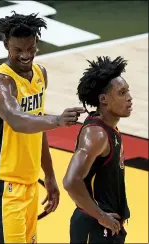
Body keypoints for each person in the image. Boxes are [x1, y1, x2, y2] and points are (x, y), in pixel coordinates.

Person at [0, 12, 85, 244]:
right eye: (18, 50)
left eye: (31, 48)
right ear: (6, 44)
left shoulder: (40, 74)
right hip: (4, 186)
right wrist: (56, 120)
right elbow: (17, 121)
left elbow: (37, 128)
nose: (26, 55)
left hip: (30, 182)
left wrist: (49, 176)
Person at [63, 56, 132, 243]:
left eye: (128, 91)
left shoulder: (109, 126)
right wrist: (101, 216)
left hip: (107, 227)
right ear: (104, 99)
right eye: (122, 92)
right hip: (95, 227)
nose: (129, 98)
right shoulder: (96, 135)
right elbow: (71, 181)